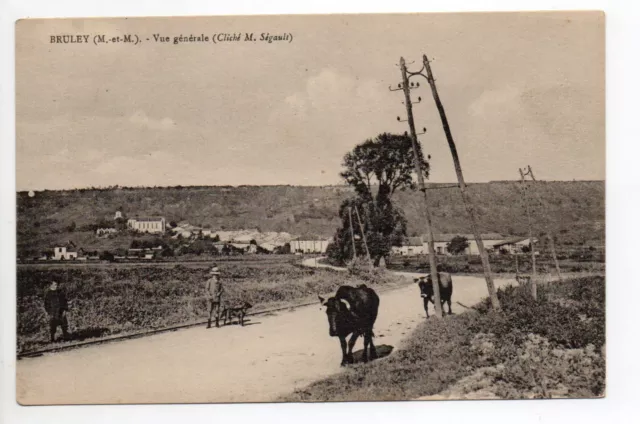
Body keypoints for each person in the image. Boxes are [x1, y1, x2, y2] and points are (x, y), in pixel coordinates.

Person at [205, 264, 224, 328]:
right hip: (210, 298)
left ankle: (217, 323)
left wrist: (219, 293)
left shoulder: (220, 281)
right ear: (212, 274)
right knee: (209, 310)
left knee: (217, 310)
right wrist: (209, 295)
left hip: (217, 298)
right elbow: (206, 289)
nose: (216, 275)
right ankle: (209, 324)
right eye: (214, 274)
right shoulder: (209, 281)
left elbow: (222, 289)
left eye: (217, 274)